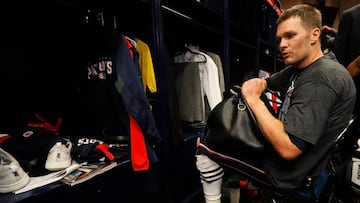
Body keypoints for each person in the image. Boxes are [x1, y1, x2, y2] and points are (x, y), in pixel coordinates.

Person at [195, 4, 356, 203]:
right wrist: (256, 86)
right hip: (297, 166)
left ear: (315, 35)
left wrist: (253, 99)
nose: (281, 44)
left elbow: (289, 148)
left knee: (206, 148)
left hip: (289, 176)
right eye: (279, 38)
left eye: (290, 36)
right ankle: (251, 187)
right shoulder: (305, 66)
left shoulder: (322, 77)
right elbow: (267, 82)